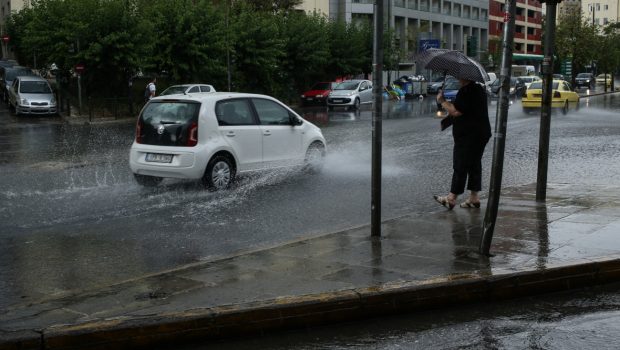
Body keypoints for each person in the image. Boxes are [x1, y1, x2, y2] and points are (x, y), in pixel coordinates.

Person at [433, 78, 491, 210]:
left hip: (468, 135)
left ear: (465, 76)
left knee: (460, 164)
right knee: (474, 164)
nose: (457, 77)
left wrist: (442, 101)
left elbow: (456, 111)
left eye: (459, 75)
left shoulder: (467, 91)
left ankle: (451, 198)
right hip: (480, 133)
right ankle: (474, 197)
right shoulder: (478, 89)